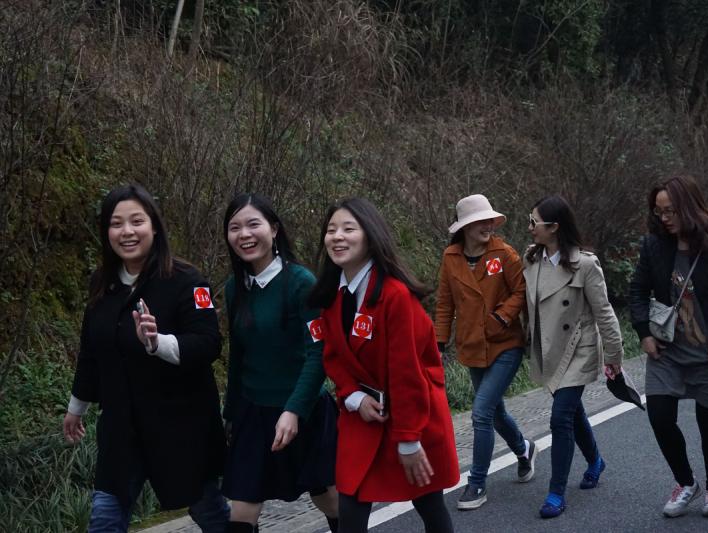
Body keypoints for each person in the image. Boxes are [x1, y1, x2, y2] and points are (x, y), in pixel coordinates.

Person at [62, 184, 229, 532]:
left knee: (208, 511)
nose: (127, 231)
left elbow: (208, 343)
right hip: (122, 428)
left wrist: (157, 343)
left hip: (181, 427)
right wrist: (76, 408)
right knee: (105, 518)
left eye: (136, 221)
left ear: (154, 226)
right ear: (106, 232)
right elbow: (92, 350)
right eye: (116, 223)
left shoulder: (186, 280)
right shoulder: (102, 283)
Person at [307, 198, 460, 533]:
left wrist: (409, 440)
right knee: (350, 508)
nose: (337, 237)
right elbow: (333, 356)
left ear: (370, 235)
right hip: (362, 418)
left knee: (429, 505)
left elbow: (407, 374)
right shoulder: (332, 296)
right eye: (331, 230)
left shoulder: (395, 296)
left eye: (348, 229)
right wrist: (353, 397)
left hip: (411, 416)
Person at [629, 175, 708, 519]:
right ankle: (685, 482)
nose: (665, 218)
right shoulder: (654, 246)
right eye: (659, 211)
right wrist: (644, 333)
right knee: (659, 417)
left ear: (689, 207)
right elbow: (637, 291)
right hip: (667, 351)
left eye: (671, 211)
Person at [220, 194, 339, 533]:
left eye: (253, 224)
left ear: (273, 229)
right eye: (235, 227)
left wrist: (294, 410)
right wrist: (231, 414)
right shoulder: (234, 288)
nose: (244, 234)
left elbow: (318, 354)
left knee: (328, 497)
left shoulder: (301, 283)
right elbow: (239, 355)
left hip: (304, 411)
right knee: (242, 508)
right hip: (254, 413)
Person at [522, 195, 623, 518]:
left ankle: (556, 493)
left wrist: (614, 355)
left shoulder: (586, 264)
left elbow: (603, 311)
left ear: (554, 227)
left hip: (577, 349)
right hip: (547, 350)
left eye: (534, 222)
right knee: (572, 412)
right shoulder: (532, 260)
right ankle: (596, 460)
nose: (529, 227)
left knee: (560, 418)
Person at [435, 194, 534, 511]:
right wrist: (439, 343)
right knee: (494, 412)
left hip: (505, 343)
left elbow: (522, 290)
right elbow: (444, 303)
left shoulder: (504, 254)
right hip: (472, 346)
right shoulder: (451, 257)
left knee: (480, 412)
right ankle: (524, 448)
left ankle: (476, 483)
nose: (488, 225)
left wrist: (502, 316)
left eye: (490, 220)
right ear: (466, 227)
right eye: (481, 221)